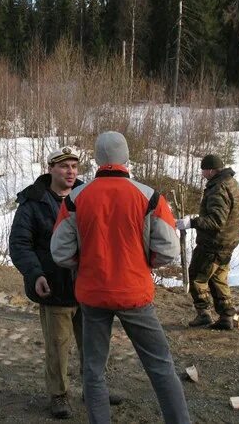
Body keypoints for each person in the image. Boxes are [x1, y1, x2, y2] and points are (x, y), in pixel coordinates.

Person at [51, 131, 191, 424]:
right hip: (134, 292)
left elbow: (60, 252)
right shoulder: (149, 196)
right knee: (160, 366)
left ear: (98, 159)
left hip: (93, 294)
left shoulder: (76, 198)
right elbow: (168, 249)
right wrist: (145, 264)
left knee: (93, 369)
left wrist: (86, 263)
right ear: (126, 158)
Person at [8, 147, 84, 419]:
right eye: (64, 166)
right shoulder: (34, 201)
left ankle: (94, 387)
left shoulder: (88, 196)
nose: (71, 171)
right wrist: (35, 274)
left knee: (95, 344)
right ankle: (59, 394)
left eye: (74, 166)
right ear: (50, 168)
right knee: (58, 346)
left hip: (89, 287)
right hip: (55, 287)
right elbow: (20, 244)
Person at [176, 154, 239, 330]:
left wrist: (192, 222)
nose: (202, 174)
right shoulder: (231, 183)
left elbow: (216, 221)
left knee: (197, 276)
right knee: (218, 278)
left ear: (211, 170)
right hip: (228, 242)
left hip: (213, 244)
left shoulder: (218, 188)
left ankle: (203, 314)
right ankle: (226, 316)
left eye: (203, 170)